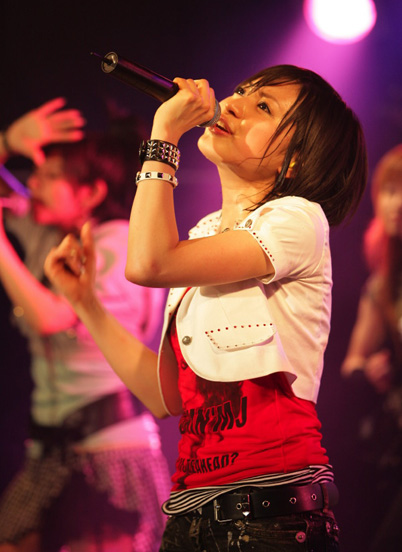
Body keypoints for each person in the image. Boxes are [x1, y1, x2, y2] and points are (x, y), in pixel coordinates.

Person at [45, 65, 367, 551]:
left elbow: (150, 262)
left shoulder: (298, 220)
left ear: (296, 160)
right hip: (191, 514)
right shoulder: (204, 233)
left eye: (263, 106)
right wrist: (85, 303)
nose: (233, 103)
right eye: (241, 91)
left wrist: (163, 136)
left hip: (271, 516)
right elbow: (166, 398)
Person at [0, 100, 170, 552]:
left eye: (51, 176)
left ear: (92, 192)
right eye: (36, 174)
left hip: (109, 450)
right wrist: (7, 142)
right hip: (49, 449)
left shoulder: (117, 244)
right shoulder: (49, 232)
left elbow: (51, 317)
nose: (33, 183)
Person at [341, 145, 402, 551]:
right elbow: (352, 363)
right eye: (390, 190)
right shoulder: (383, 284)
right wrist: (370, 370)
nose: (396, 202)